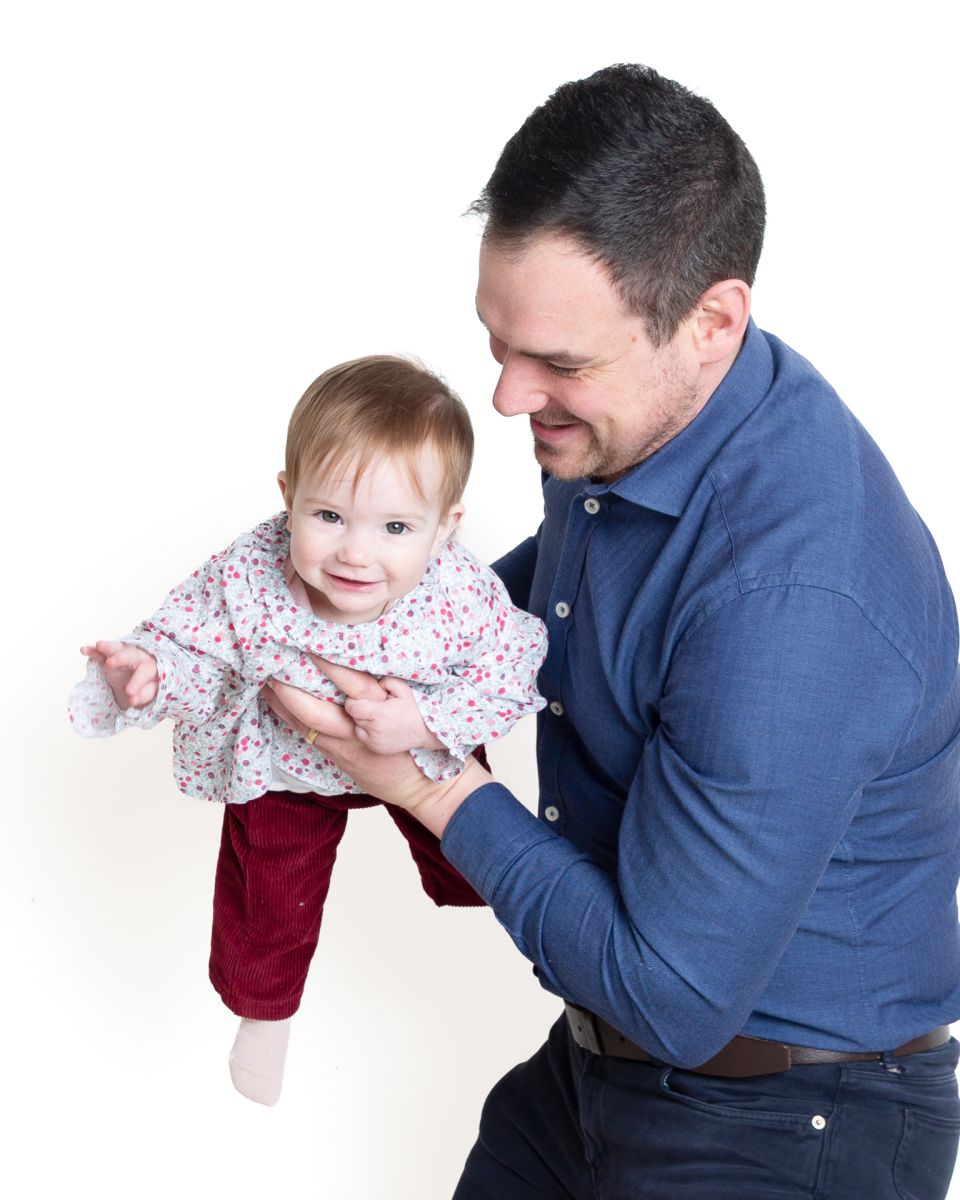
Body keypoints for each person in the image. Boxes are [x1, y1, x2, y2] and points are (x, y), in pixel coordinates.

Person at [264, 65, 960, 1198]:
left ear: (712, 320)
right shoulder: (639, 424)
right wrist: (366, 646)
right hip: (600, 1072)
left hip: (791, 1124)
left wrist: (428, 778)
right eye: (498, 344)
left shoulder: (792, 600)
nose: (506, 398)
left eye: (558, 364)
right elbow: (558, 597)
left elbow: (674, 993)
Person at [68, 355, 547, 1107]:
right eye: (328, 517)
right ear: (288, 498)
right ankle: (264, 1015)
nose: (356, 552)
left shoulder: (457, 589)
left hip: (415, 741)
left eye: (395, 527)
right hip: (288, 759)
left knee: (480, 843)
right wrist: (149, 672)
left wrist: (424, 718)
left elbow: (516, 661)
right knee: (268, 888)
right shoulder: (249, 573)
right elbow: (194, 643)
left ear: (446, 527)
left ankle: (521, 927)